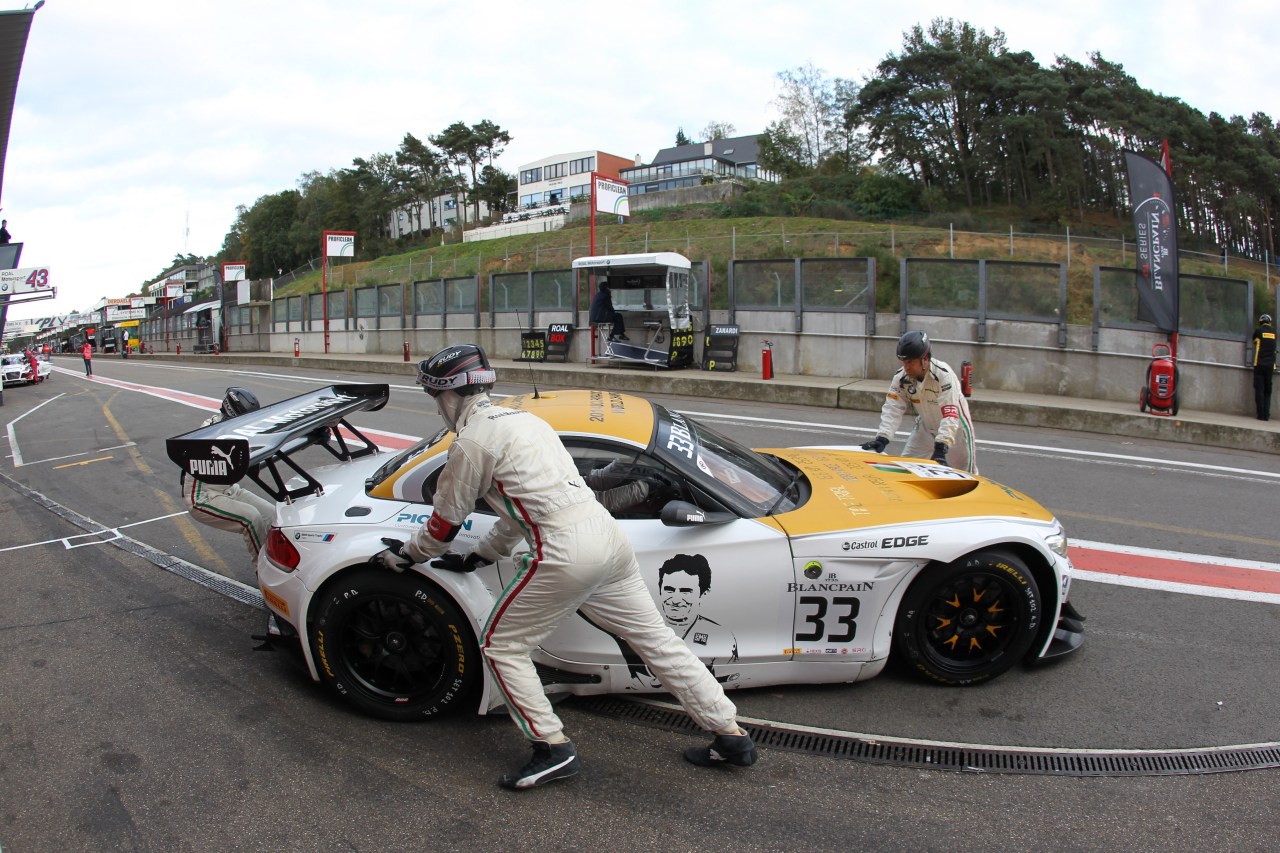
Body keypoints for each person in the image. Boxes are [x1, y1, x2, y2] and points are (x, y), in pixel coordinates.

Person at [372, 344, 757, 790]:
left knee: (501, 646)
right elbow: (526, 508)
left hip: (565, 550)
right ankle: (730, 734)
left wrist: (405, 556)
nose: (436, 406)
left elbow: (443, 524)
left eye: (434, 397)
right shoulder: (526, 421)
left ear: (450, 395)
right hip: (607, 538)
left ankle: (551, 748)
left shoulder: (472, 442)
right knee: (657, 641)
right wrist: (482, 554)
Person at [861, 330, 977, 473]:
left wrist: (941, 446)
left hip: (956, 429)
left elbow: (950, 414)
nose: (906, 367)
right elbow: (893, 408)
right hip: (926, 427)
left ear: (925, 359)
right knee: (905, 468)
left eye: (910, 361)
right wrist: (882, 437)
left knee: (966, 475)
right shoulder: (901, 378)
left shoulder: (943, 375)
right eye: (904, 361)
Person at [184, 387, 276, 560]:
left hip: (228, 489)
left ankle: (277, 560)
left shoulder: (235, 427)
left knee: (273, 516)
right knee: (252, 519)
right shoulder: (211, 431)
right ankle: (262, 571)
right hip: (202, 495)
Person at [1251, 313, 1277, 421]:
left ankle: (1260, 415)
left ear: (1261, 322)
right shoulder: (1275, 333)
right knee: (1267, 391)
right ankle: (1266, 415)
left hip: (1259, 364)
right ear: (1270, 322)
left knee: (1259, 390)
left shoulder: (1258, 331)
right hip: (1270, 366)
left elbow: (1254, 341)